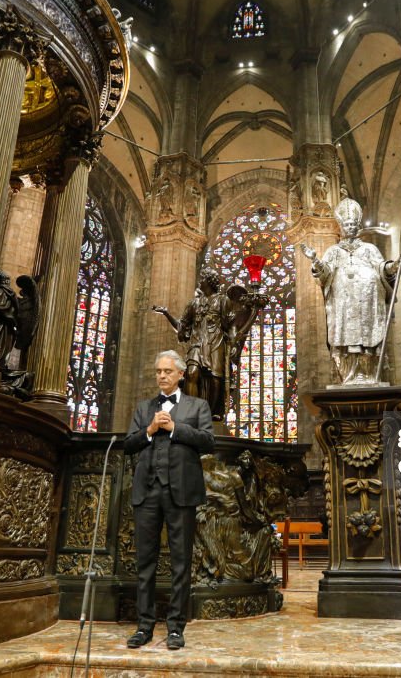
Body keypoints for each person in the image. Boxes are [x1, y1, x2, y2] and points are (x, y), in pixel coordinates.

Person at [123, 350, 214, 650]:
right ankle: (144, 626)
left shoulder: (197, 406)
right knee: (145, 562)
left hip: (181, 493)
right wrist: (149, 431)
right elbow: (128, 445)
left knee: (180, 562)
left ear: (180, 374)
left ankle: (175, 628)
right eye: (158, 371)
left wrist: (175, 428)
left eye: (166, 371)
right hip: (147, 492)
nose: (161, 375)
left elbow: (207, 441)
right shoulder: (143, 408)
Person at [299, 188, 401, 385]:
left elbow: (381, 268)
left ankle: (369, 374)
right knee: (346, 338)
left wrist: (393, 266)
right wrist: (315, 260)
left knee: (367, 339)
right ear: (341, 227)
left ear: (358, 227)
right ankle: (349, 375)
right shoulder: (334, 251)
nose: (350, 227)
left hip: (368, 303)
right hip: (343, 304)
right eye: (346, 224)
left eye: (354, 224)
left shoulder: (369, 249)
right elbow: (325, 273)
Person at [153, 269, 265, 420]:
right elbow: (182, 327)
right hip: (197, 344)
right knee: (191, 373)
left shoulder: (222, 300)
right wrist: (167, 314)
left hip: (215, 344)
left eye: (203, 278)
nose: (200, 281)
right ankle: (193, 412)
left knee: (215, 379)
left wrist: (233, 342)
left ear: (210, 282)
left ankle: (211, 413)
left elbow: (230, 325)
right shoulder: (194, 303)